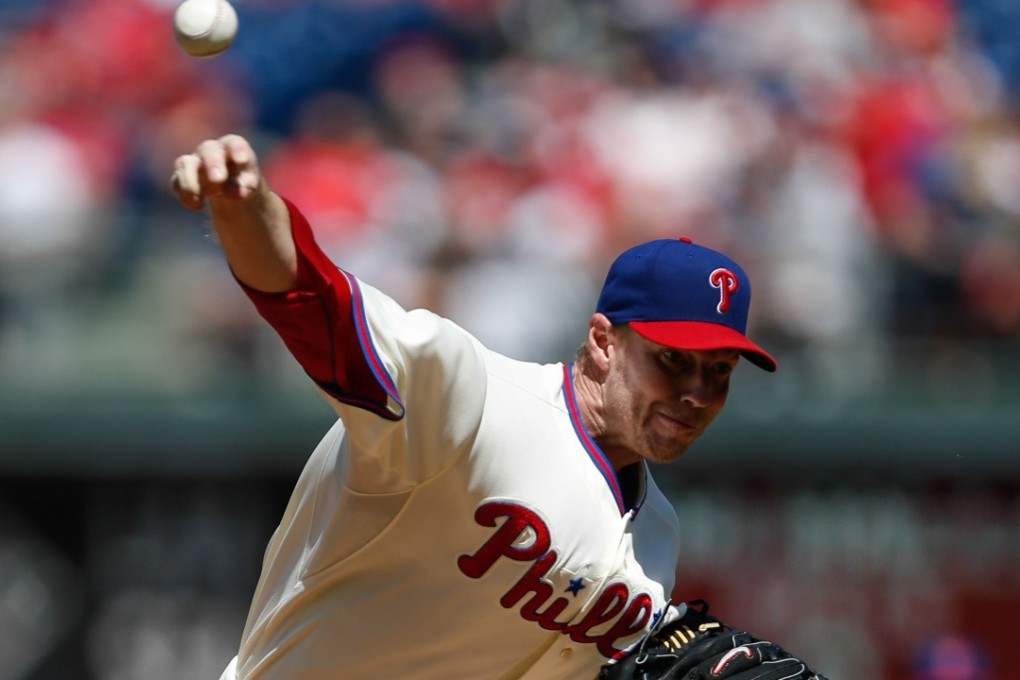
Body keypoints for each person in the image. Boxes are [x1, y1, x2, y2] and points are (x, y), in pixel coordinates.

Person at [171, 134, 822, 680]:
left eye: (719, 372)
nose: (696, 394)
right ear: (602, 342)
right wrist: (245, 208)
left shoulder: (658, 539)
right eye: (671, 360)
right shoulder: (470, 398)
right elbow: (317, 306)